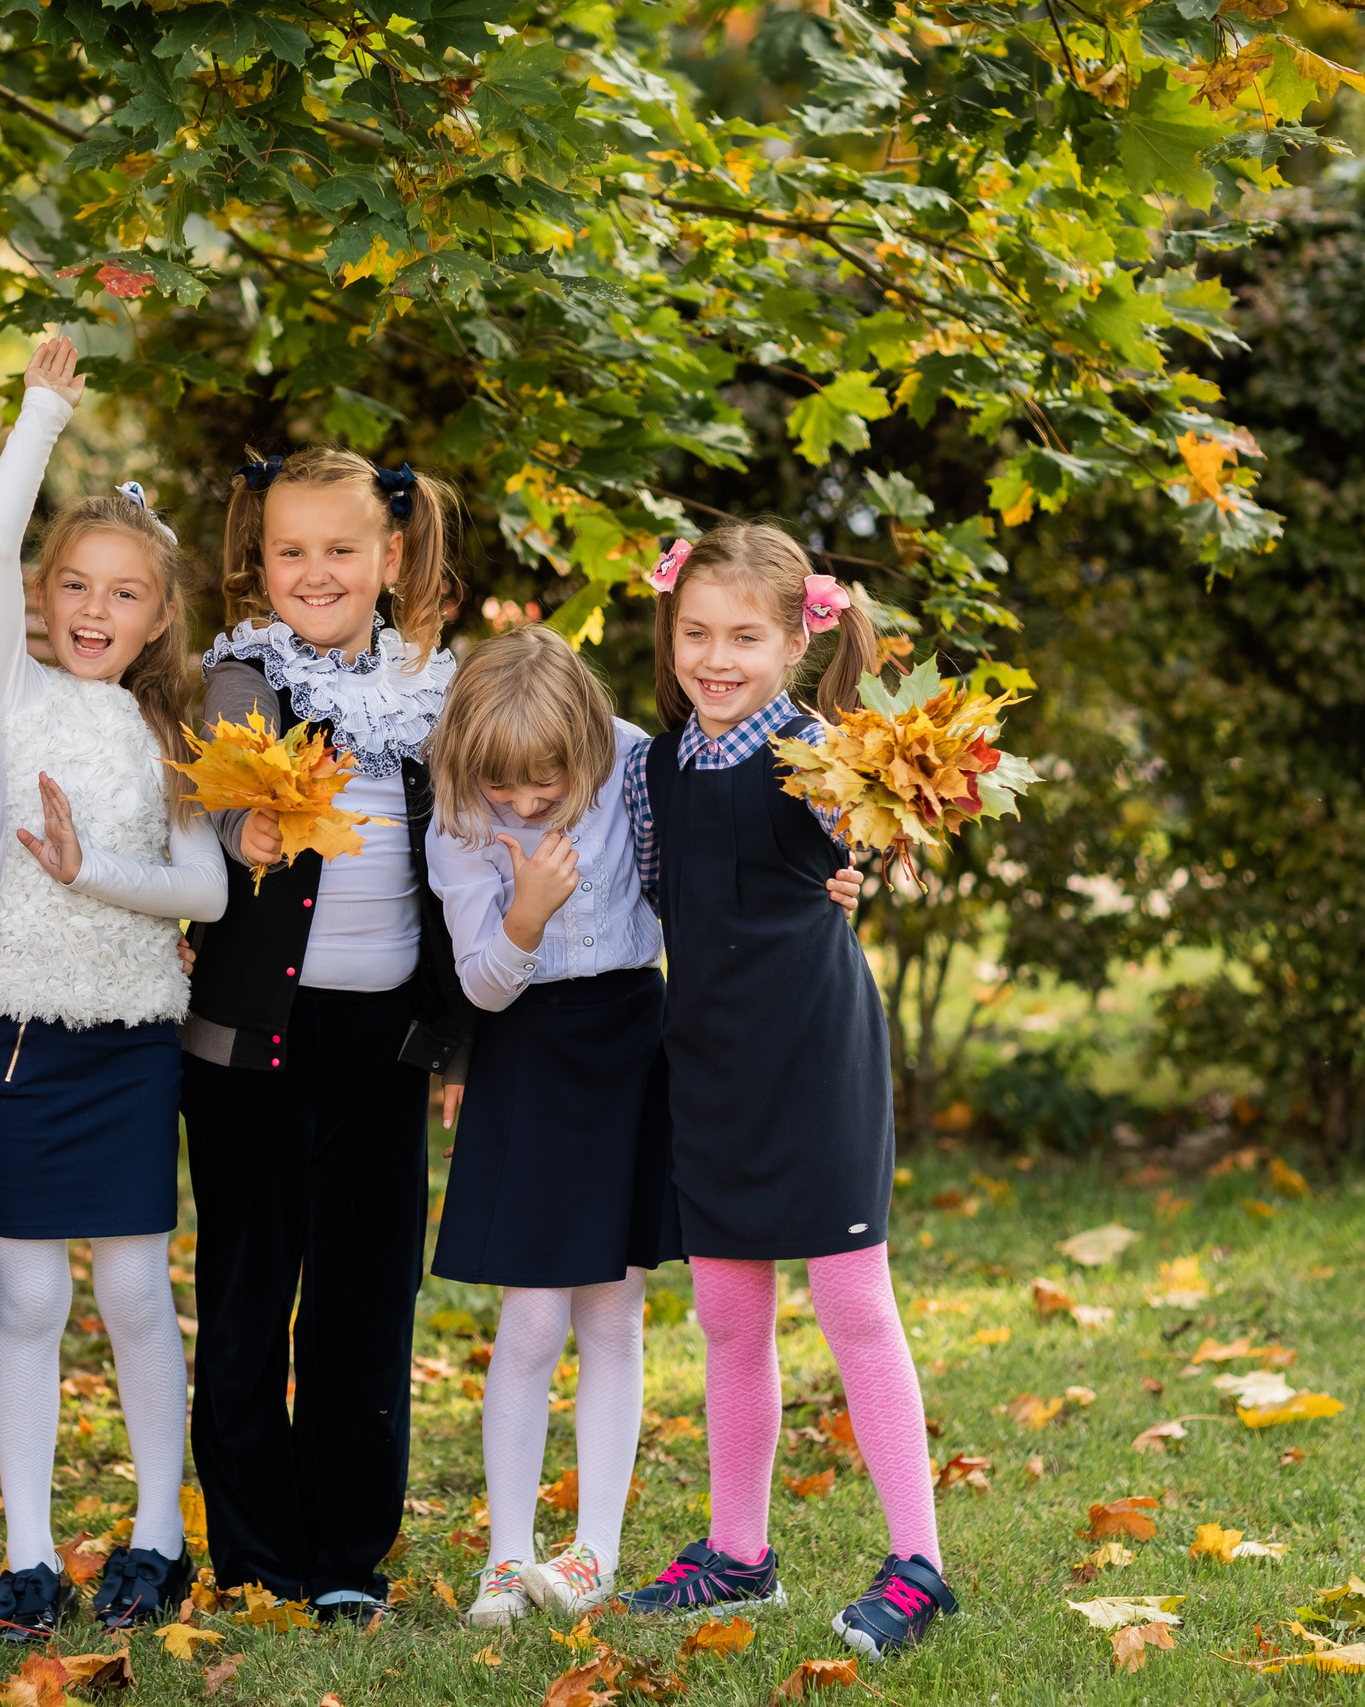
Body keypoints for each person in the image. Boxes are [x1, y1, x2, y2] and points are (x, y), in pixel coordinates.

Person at [427, 626, 862, 1628]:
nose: (528, 805)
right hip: (527, 1057)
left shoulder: (631, 757)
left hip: (632, 1043)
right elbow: (481, 988)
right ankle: (505, 1556)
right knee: (532, 1323)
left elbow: (731, 850)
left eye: (547, 788)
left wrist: (834, 875)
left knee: (612, 1317)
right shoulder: (458, 813)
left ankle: (593, 1552)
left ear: (585, 745)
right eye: (509, 792)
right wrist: (526, 913)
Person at [619, 525, 956, 1660]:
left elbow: (896, 842)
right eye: (696, 634)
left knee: (854, 1305)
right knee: (727, 1319)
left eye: (744, 638)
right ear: (670, 633)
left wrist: (866, 865)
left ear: (796, 639)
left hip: (815, 1060)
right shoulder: (658, 764)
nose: (716, 658)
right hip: (708, 1065)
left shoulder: (824, 756)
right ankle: (738, 1556)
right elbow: (659, 893)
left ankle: (918, 1565)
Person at [178, 447, 474, 1624]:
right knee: (249, 1295)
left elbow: (493, 831)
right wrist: (236, 839)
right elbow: (198, 813)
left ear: (391, 558)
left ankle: (349, 1551)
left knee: (362, 1303)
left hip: (383, 1045)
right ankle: (256, 1553)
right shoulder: (242, 680)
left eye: (341, 551)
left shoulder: (433, 691)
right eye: (291, 551)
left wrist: (457, 1037)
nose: (316, 572)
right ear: (261, 560)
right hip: (250, 1044)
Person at [0, 334, 224, 1641]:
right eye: (73, 583)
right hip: (14, 1041)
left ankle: (157, 1531)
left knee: (130, 1292)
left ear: (159, 616)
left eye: (123, 594)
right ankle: (23, 1549)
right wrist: (42, 415)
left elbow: (209, 893)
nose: (92, 608)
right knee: (29, 1299)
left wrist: (93, 865)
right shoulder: (10, 692)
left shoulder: (169, 732)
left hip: (129, 1048)